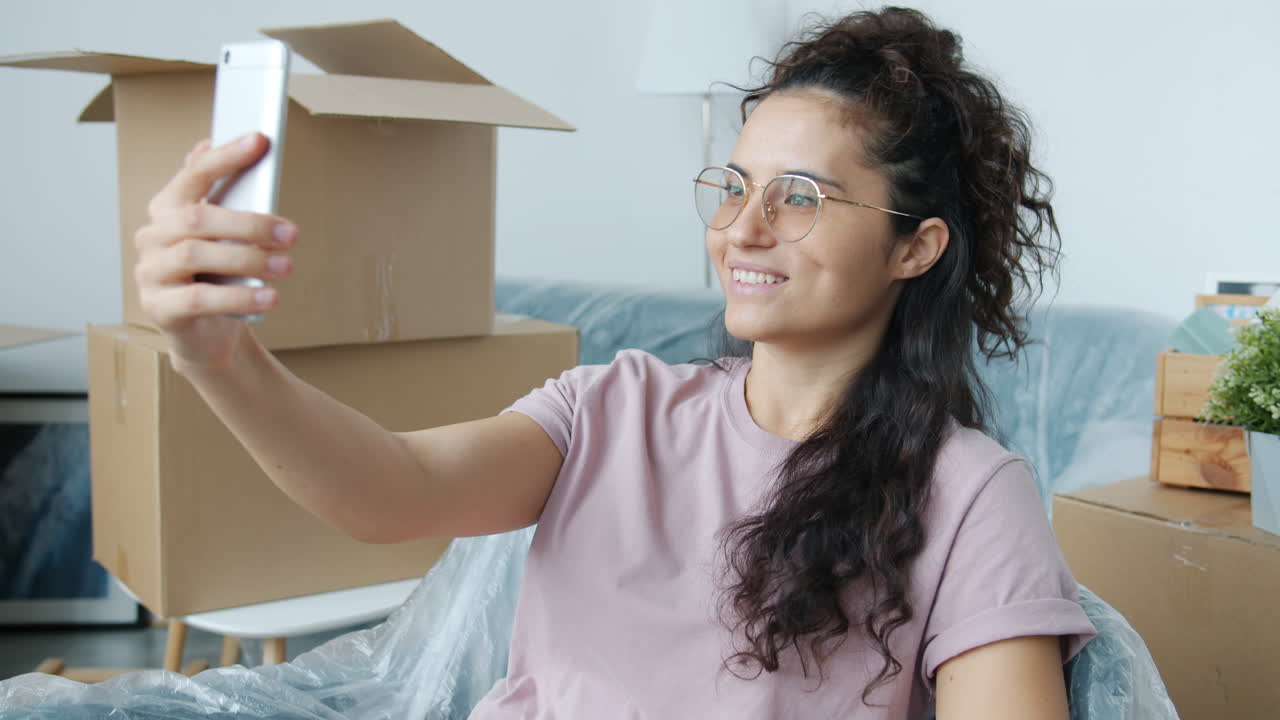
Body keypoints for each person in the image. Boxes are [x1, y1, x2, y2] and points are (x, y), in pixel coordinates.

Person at [132, 7, 1094, 718]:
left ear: (915, 247)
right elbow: (392, 491)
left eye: (800, 195)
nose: (743, 230)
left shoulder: (969, 497)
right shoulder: (611, 407)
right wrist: (216, 356)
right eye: (734, 185)